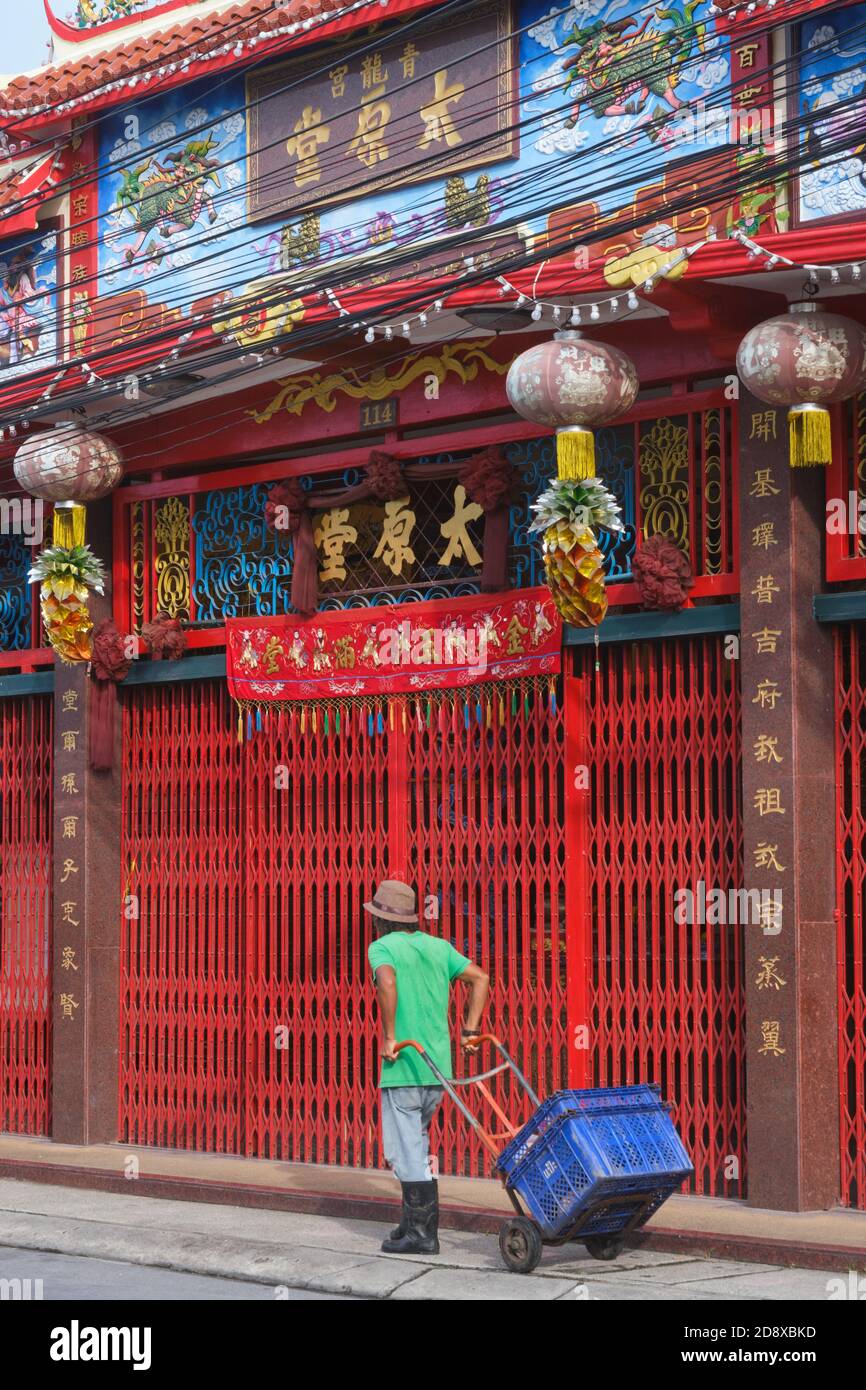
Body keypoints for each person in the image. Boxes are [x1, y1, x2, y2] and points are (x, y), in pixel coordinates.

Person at [365, 878, 490, 1256]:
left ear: (382, 921)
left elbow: (387, 980)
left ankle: (422, 1234)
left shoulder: (381, 947)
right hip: (437, 1069)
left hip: (403, 1065)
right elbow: (480, 978)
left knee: (404, 1150)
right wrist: (469, 1031)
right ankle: (410, 1224)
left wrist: (389, 1036)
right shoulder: (439, 947)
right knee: (416, 1145)